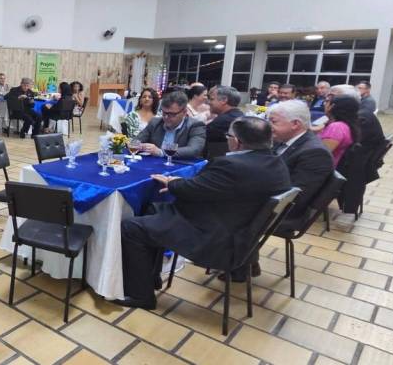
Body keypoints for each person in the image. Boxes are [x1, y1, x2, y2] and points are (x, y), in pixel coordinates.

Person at [114, 117, 292, 308]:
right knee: (152, 208)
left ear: (237, 141)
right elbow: (208, 188)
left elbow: (192, 190)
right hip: (241, 231)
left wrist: (174, 183)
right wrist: (178, 185)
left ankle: (141, 295)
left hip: (214, 236)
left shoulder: (232, 165)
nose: (227, 139)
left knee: (130, 227)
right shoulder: (276, 162)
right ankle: (149, 277)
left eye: (228, 136)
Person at [269, 100, 334, 218]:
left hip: (279, 213)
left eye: (273, 122)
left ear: (295, 124)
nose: (269, 126)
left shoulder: (315, 153)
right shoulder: (283, 139)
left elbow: (295, 197)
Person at [135, 91, 206, 159]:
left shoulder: (196, 126)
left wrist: (161, 152)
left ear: (184, 112)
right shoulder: (155, 122)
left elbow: (194, 150)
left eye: (172, 114)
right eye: (164, 113)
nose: (166, 117)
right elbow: (136, 141)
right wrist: (141, 146)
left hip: (181, 164)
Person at [324, 84, 384, 150]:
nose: (325, 102)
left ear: (348, 100)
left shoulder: (360, 118)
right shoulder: (352, 117)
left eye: (332, 97)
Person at [320, 96, 360, 167]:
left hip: (322, 168)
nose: (324, 104)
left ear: (332, 106)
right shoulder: (345, 125)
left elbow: (320, 154)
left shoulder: (336, 127)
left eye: (327, 102)